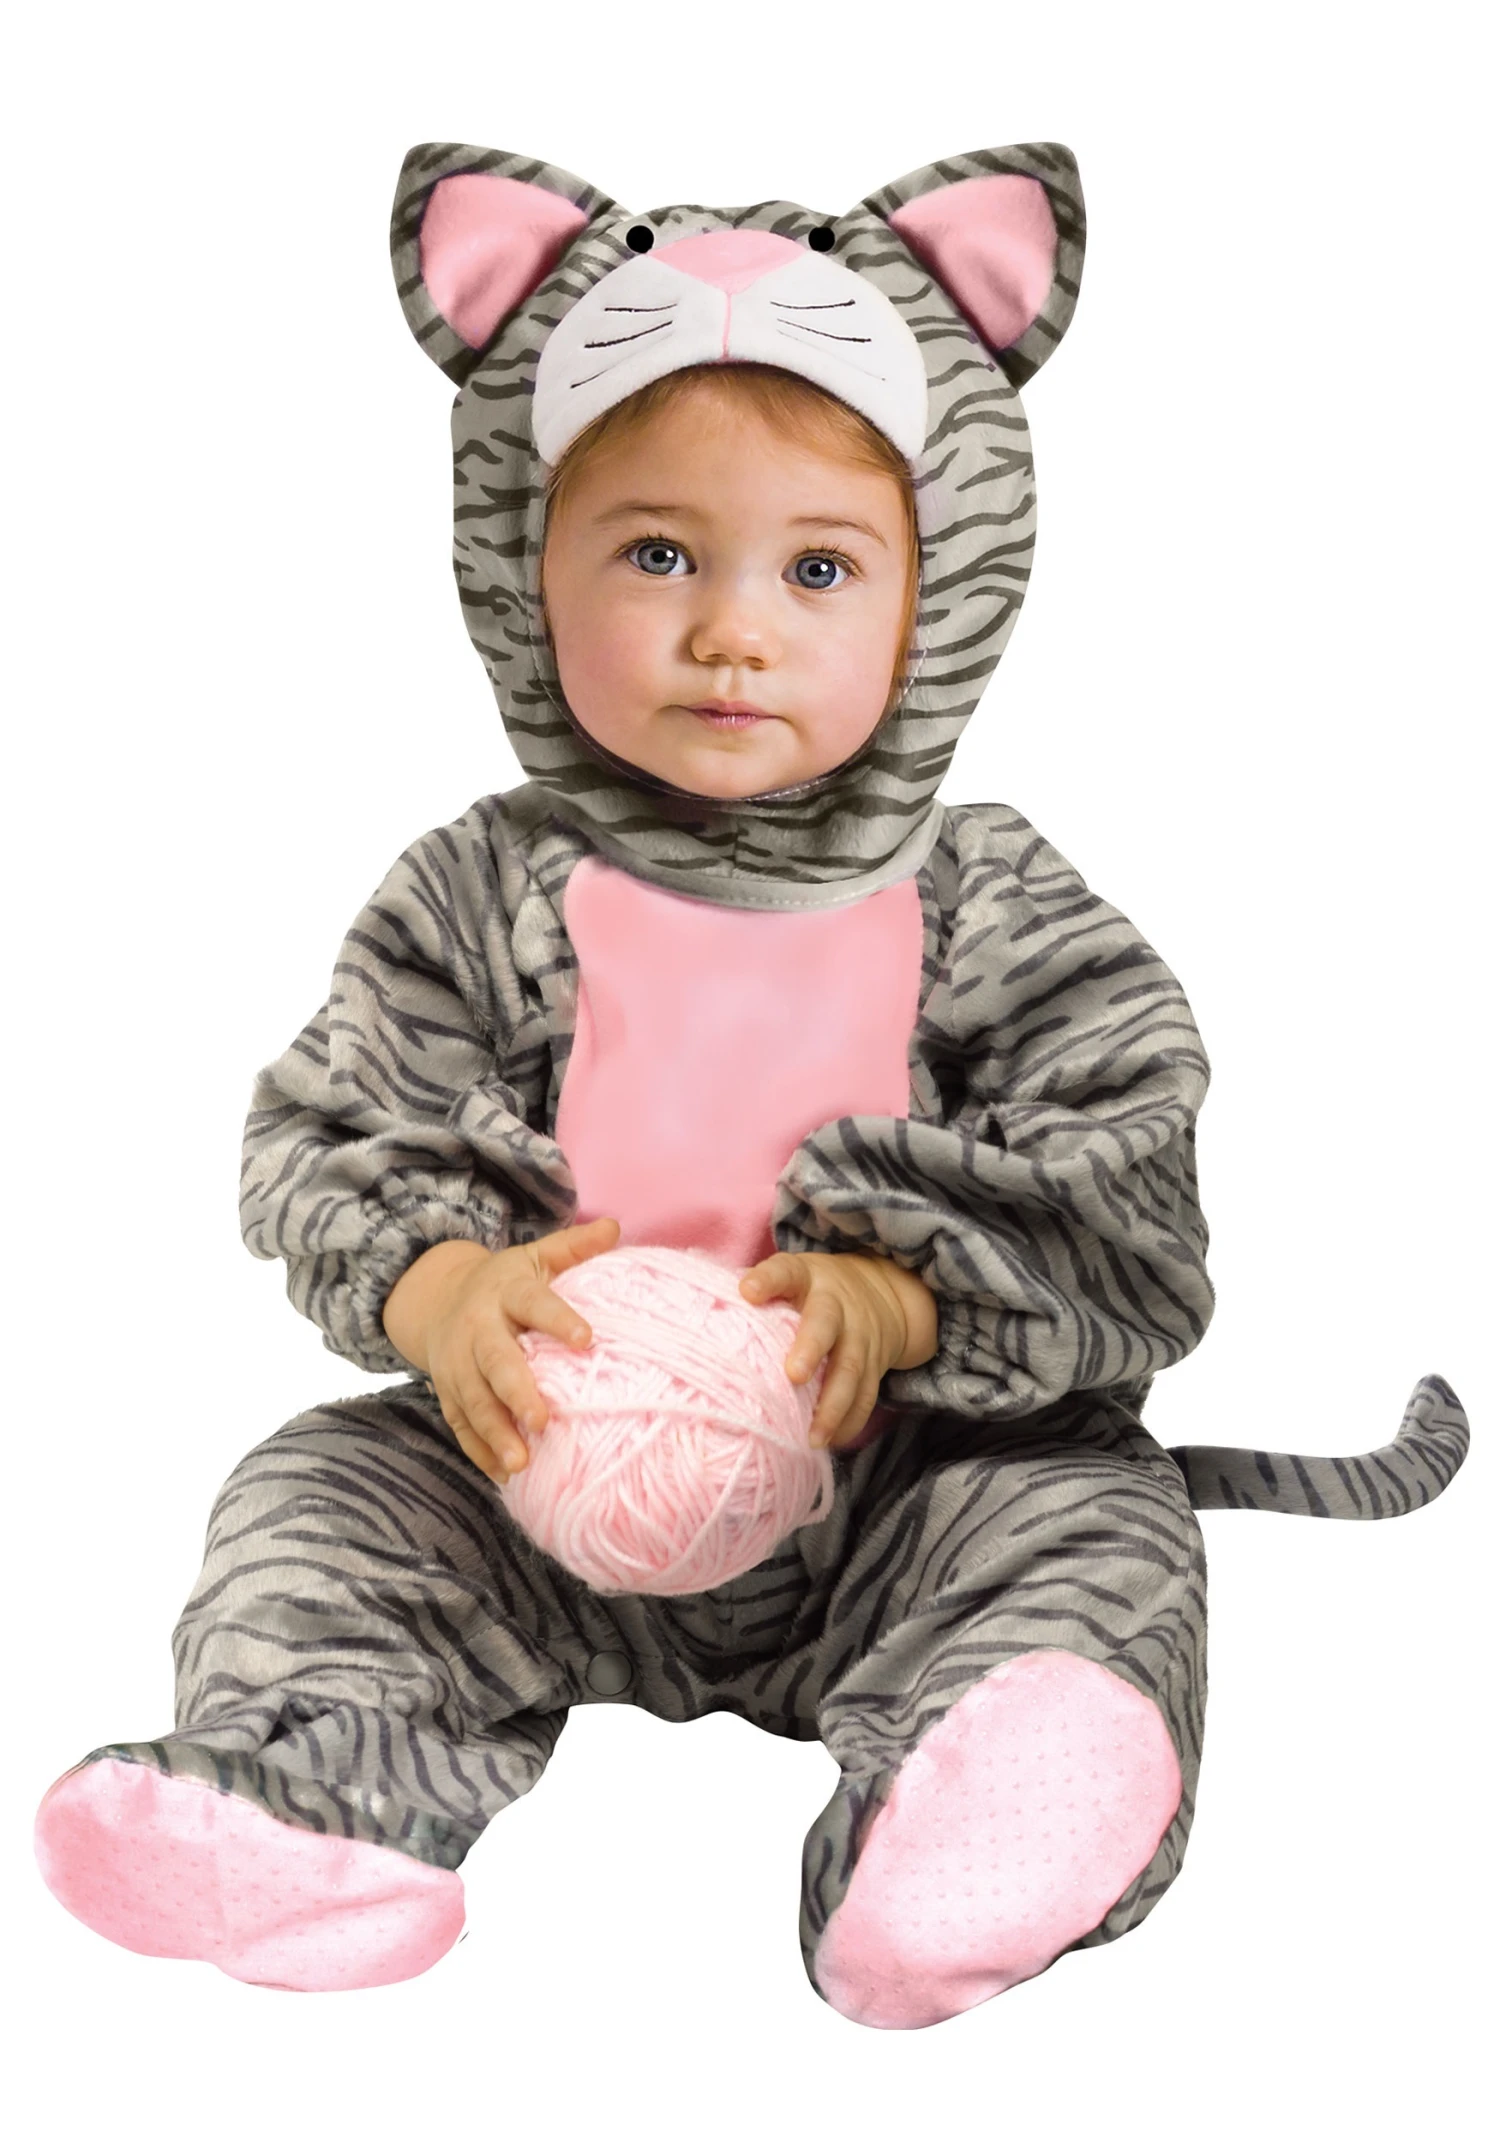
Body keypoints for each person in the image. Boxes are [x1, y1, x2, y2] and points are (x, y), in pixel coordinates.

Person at [33, 139, 1464, 2029]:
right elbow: (341, 1121)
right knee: (318, 1486)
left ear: (940, 592)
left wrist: (911, 1294)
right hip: (530, 1476)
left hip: (911, 1478)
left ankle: (985, 1799)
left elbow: (1123, 1172)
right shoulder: (476, 889)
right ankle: (311, 1790)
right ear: (519, 569)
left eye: (818, 567)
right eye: (656, 555)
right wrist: (441, 1291)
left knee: (1092, 1525)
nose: (730, 629)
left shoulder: (994, 899)